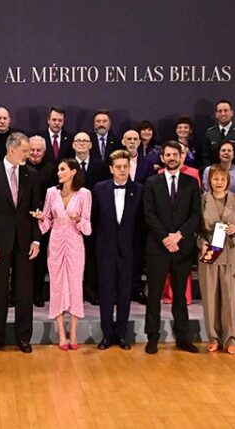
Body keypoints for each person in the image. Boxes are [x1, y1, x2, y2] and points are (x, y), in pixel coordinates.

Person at [0, 132, 41, 353]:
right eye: (25, 150)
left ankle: (24, 337)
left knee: (25, 292)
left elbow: (36, 210)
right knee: (0, 292)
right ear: (12, 149)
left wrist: (36, 240)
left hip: (25, 242)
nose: (29, 154)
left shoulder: (31, 175)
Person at [143, 141, 201, 354]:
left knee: (180, 295)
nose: (171, 157)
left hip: (182, 248)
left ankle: (183, 337)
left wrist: (178, 236)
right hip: (158, 248)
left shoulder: (191, 182)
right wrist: (165, 237)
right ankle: (152, 337)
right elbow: (148, 213)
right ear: (162, 158)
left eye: (175, 154)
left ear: (182, 157)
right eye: (167, 154)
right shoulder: (152, 182)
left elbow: (196, 214)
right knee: (154, 295)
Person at [33, 159, 91, 350]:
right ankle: (61, 333)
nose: (58, 172)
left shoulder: (84, 194)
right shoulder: (51, 192)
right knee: (57, 286)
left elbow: (88, 228)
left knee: (75, 286)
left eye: (63, 169)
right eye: (58, 169)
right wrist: (42, 217)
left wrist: (78, 220)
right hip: (56, 244)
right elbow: (48, 221)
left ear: (73, 172)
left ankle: (73, 332)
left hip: (75, 244)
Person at [93, 150, 143, 351]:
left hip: (129, 252)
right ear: (111, 169)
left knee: (124, 295)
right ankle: (107, 335)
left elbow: (141, 225)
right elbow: (95, 220)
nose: (122, 170)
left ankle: (121, 335)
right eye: (118, 167)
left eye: (125, 166)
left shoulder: (139, 189)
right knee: (105, 294)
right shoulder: (99, 188)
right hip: (105, 251)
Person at [197, 164, 235, 355]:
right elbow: (197, 229)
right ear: (210, 180)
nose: (219, 182)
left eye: (222, 179)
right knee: (210, 297)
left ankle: (231, 337)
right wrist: (202, 244)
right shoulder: (202, 200)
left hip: (230, 252)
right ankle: (213, 337)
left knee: (229, 298)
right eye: (215, 179)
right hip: (209, 253)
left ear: (228, 181)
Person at [72, 131, 105, 305]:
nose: (82, 143)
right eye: (78, 141)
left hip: (94, 219)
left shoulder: (100, 166)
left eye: (85, 141)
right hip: (71, 220)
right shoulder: (66, 165)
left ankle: (91, 291)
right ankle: (74, 291)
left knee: (92, 257)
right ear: (73, 144)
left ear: (91, 145)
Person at [121, 129, 152, 305]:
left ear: (139, 142)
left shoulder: (147, 163)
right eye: (129, 139)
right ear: (123, 142)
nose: (132, 142)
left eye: (135, 139)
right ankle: (121, 290)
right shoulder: (115, 161)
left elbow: (148, 187)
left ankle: (137, 289)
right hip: (119, 216)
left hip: (139, 216)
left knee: (138, 255)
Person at [27, 136, 57, 307]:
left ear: (44, 152)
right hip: (24, 218)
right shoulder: (21, 167)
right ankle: (16, 293)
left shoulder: (52, 170)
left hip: (44, 220)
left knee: (39, 260)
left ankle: (37, 293)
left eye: (39, 150)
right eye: (32, 150)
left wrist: (44, 214)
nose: (35, 153)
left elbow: (54, 196)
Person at [201, 140, 235, 206]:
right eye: (223, 150)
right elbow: (206, 192)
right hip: (213, 209)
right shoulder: (208, 170)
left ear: (234, 155)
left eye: (229, 151)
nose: (226, 153)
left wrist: (232, 209)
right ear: (218, 154)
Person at [203, 100, 235, 166]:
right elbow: (206, 156)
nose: (223, 114)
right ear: (216, 114)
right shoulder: (210, 133)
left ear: (231, 113)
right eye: (220, 111)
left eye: (226, 110)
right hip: (215, 173)